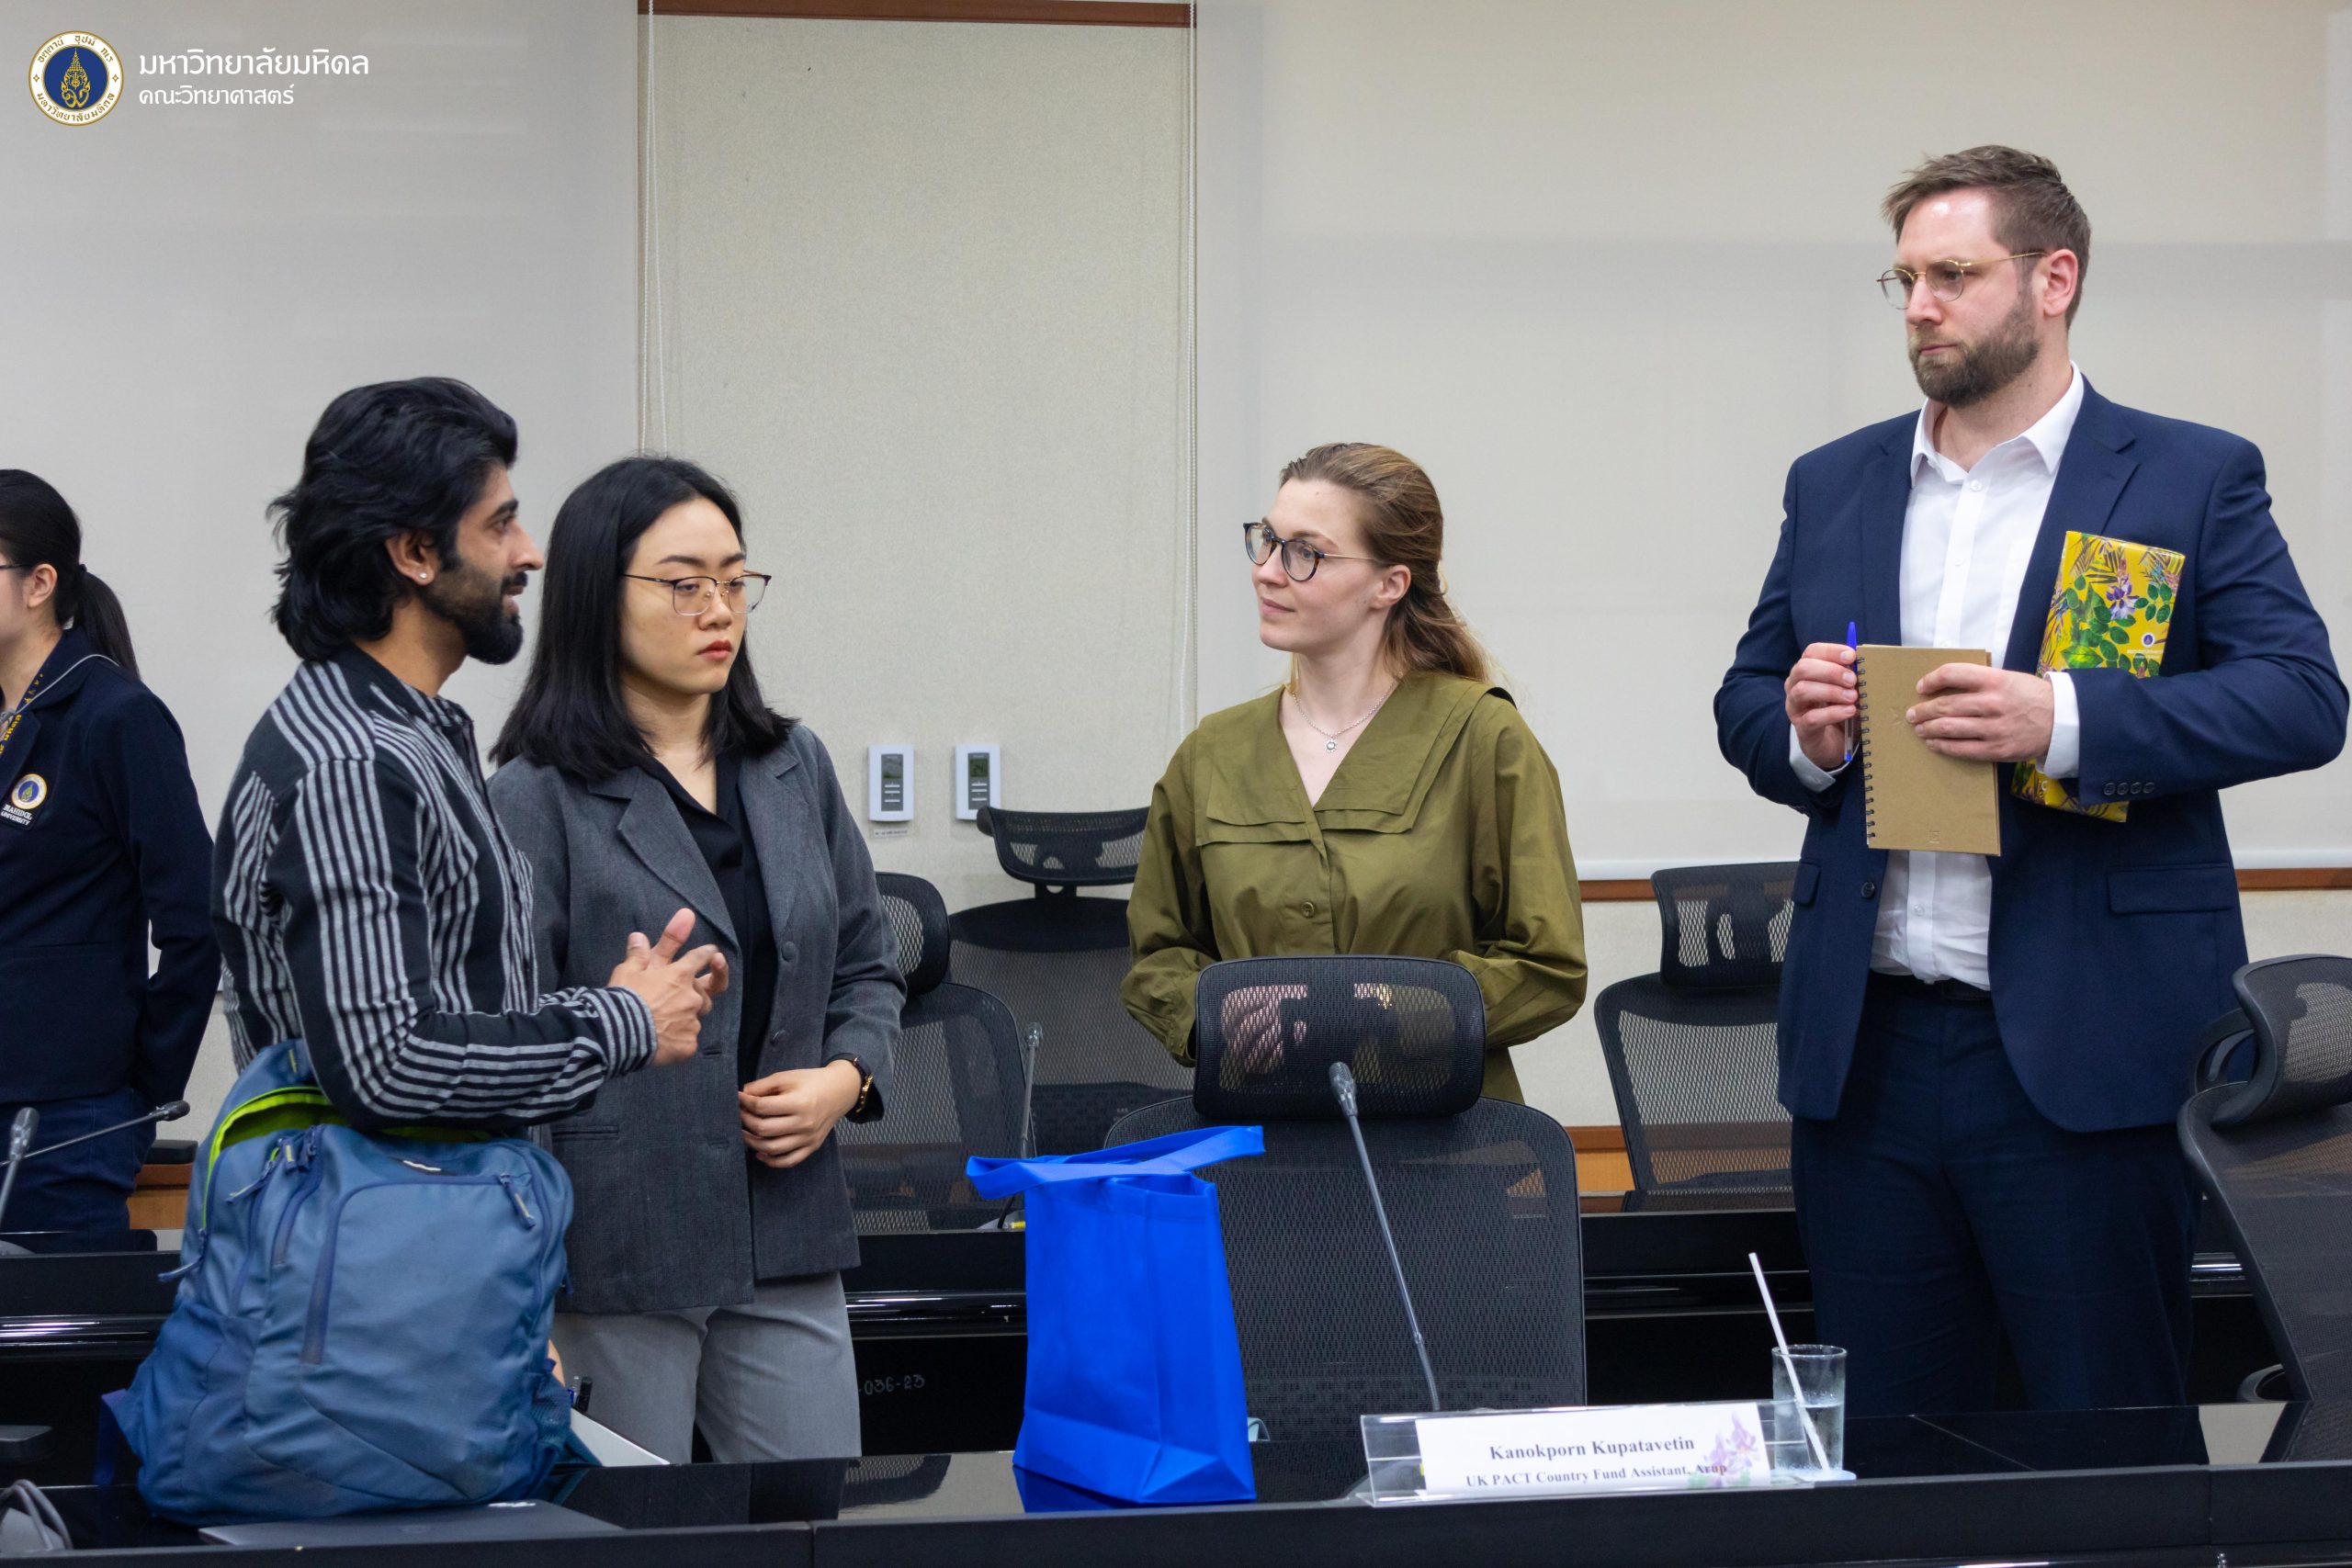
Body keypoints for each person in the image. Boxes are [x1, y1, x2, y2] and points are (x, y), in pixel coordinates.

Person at [1715, 147, 2347, 1417]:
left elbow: (2300, 696)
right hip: (1868, 1055)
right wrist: (1807, 739)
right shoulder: (1834, 479)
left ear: (2053, 281)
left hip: (2087, 1048)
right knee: (1891, 1447)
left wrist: (2060, 717)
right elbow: (1747, 694)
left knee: (2106, 1436)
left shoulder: (2188, 473)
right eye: (1903, 280)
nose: (1919, 307)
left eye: (1952, 275)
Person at [488, 456, 901, 1464]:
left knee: (812, 1516)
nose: (719, 609)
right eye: (684, 584)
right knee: (636, 1528)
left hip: (785, 1223)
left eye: (735, 580)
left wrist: (844, 1079)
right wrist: (518, 1290)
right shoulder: (534, 797)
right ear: (598, 595)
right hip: (617, 1243)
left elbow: (869, 961)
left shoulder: (792, 765)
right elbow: (511, 1051)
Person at [213, 378, 723, 1140]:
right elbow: (388, 1063)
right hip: (387, 1213)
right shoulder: (354, 763)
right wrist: (623, 1022)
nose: (530, 554)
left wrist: (616, 1010)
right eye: (500, 525)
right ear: (416, 553)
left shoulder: (404, 733)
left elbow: (454, 1014)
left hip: (429, 1202)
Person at [1123, 442, 1586, 1100]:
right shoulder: (1212, 753)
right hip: (1263, 1135)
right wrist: (1217, 1014)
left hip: (1442, 1140)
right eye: (1267, 541)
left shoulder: (1485, 740)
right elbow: (1159, 953)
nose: (1267, 572)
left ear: (1389, 584)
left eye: (1305, 553)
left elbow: (1548, 965)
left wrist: (1388, 1011)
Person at [0, 472, 215, 1234]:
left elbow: (197, 922)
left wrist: (139, 1094)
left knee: (52, 1311)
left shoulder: (116, 716)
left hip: (66, 1121)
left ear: (39, 584)